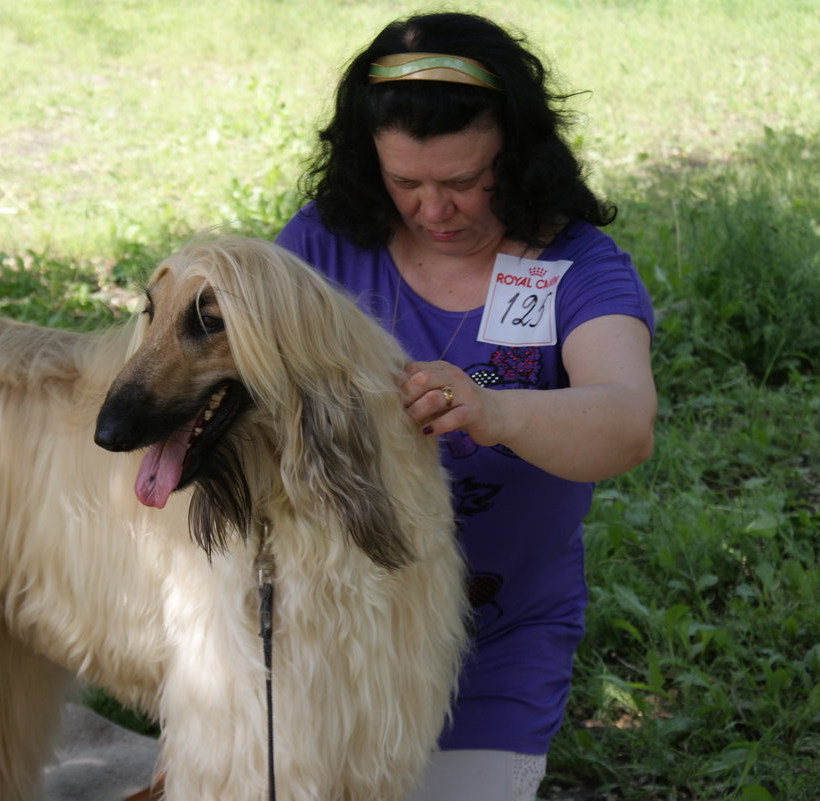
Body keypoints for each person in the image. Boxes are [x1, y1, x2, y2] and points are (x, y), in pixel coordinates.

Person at [275, 12, 656, 801]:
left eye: (460, 182)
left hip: (495, 641)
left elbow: (624, 423)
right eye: (404, 182)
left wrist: (493, 411)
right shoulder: (321, 247)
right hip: (329, 631)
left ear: (514, 158)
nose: (432, 209)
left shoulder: (573, 263)